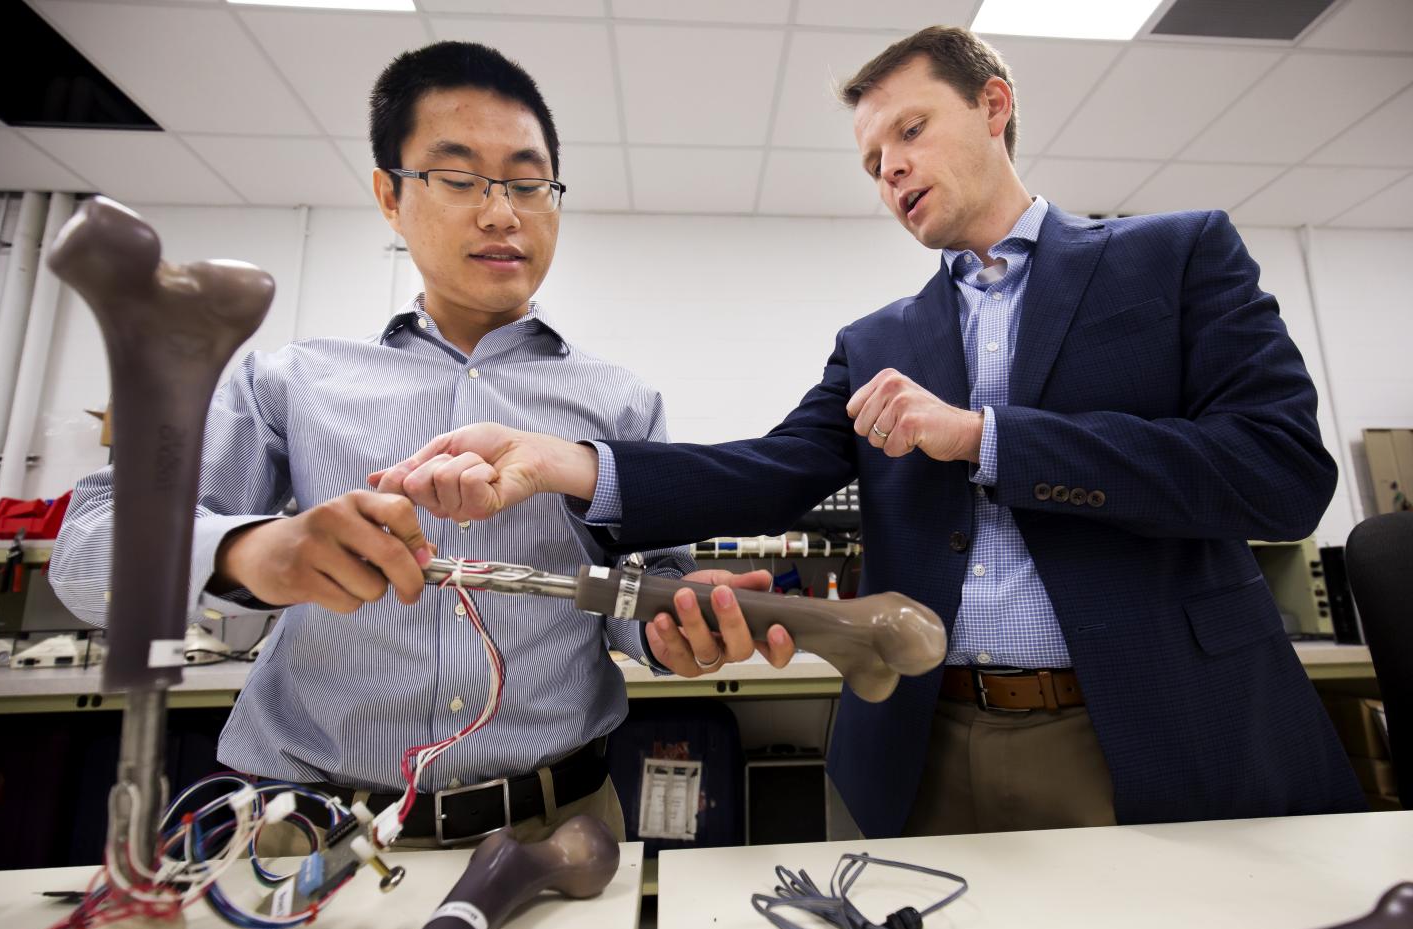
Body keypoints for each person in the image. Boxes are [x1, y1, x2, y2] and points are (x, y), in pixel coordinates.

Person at [371, 27, 1366, 839]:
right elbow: (770, 473)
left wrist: (989, 438)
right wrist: (563, 463)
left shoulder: (1176, 256)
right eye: (872, 160)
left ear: (994, 105)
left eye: (911, 131)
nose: (891, 168)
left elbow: (1281, 474)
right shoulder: (880, 340)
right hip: (927, 745)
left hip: (1158, 729)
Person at [49, 40, 768, 849]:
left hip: (558, 828)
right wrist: (254, 551)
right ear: (390, 195)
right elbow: (85, 550)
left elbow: (640, 591)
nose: (503, 212)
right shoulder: (294, 382)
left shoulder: (620, 402)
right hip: (317, 835)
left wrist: (679, 629)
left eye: (529, 182)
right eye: (459, 178)